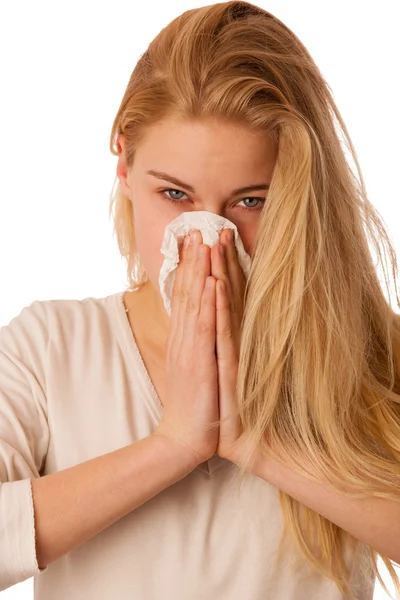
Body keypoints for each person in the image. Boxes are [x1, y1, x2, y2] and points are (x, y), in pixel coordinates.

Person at [1, 1, 399, 598]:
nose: (209, 239)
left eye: (251, 202)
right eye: (175, 194)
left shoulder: (370, 348)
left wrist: (254, 441)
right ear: (124, 163)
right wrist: (176, 444)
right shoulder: (50, 347)